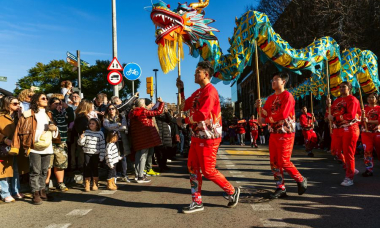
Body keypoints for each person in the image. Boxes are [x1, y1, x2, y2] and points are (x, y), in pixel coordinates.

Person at [176, 61, 240, 214]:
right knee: (192, 168)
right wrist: (181, 89)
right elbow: (185, 105)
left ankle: (232, 191)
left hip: (209, 138)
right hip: (197, 136)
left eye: (197, 71)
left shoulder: (210, 91)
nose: (194, 74)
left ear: (206, 74)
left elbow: (203, 114)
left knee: (208, 170)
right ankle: (197, 201)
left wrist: (184, 121)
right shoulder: (198, 92)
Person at [255, 72, 307, 199]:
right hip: (274, 133)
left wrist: (266, 120)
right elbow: (264, 115)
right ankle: (280, 187)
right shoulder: (270, 98)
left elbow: (283, 114)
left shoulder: (288, 96)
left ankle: (300, 179)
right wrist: (258, 108)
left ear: (283, 82)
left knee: (284, 161)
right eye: (272, 80)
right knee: (274, 162)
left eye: (275, 79)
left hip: (286, 133)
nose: (272, 82)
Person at [10, 93, 60, 205]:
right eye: (43, 98)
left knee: (44, 170)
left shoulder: (49, 114)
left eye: (46, 98)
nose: (46, 100)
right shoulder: (27, 114)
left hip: (47, 145)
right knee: (35, 171)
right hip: (33, 146)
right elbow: (19, 130)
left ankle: (43, 191)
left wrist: (54, 129)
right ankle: (35, 193)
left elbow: (55, 131)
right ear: (36, 101)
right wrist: (16, 146)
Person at [328, 81, 361, 186]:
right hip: (337, 129)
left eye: (344, 87)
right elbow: (331, 113)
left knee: (348, 153)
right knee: (335, 151)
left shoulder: (352, 100)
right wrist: (328, 106)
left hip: (350, 129)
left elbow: (351, 115)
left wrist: (335, 118)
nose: (341, 88)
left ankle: (349, 177)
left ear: (349, 88)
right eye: (340, 87)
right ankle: (350, 167)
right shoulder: (336, 100)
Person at [129, 97, 164, 183]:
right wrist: (161, 103)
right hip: (146, 137)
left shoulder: (132, 113)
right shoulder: (143, 111)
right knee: (143, 156)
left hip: (136, 137)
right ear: (142, 105)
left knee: (138, 154)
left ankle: (137, 175)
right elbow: (158, 112)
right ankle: (141, 176)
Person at [0, 96, 28, 203]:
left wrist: (21, 115)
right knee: (3, 171)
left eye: (18, 103)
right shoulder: (1, 116)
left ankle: (15, 191)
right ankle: (5, 193)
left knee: (16, 169)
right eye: (15, 104)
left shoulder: (19, 116)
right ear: (7, 104)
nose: (18, 105)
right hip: (4, 147)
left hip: (17, 147)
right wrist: (4, 139)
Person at [45, 97, 74, 192]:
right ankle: (46, 184)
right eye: (56, 103)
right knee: (48, 165)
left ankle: (60, 183)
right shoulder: (48, 113)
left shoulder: (64, 112)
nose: (58, 106)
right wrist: (57, 112)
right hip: (50, 142)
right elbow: (53, 121)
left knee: (60, 164)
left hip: (62, 142)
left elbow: (71, 118)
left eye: (59, 104)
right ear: (50, 104)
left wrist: (68, 108)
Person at [103, 104, 130, 182]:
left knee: (123, 157)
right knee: (113, 158)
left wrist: (114, 127)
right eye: (109, 109)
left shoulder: (121, 117)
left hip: (121, 140)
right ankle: (113, 176)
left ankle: (124, 175)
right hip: (112, 141)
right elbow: (107, 126)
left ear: (116, 109)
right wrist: (117, 125)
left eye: (113, 109)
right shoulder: (106, 118)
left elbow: (124, 127)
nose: (111, 110)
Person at [77, 118, 105, 192]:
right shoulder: (86, 132)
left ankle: (95, 183)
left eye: (93, 123)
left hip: (96, 153)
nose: (91, 125)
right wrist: (81, 138)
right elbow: (81, 143)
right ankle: (87, 183)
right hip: (87, 152)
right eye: (90, 123)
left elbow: (102, 145)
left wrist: (102, 155)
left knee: (95, 167)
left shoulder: (100, 133)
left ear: (97, 125)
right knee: (87, 167)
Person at [360, 93, 380, 177]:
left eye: (373, 97)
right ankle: (369, 169)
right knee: (367, 150)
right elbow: (360, 121)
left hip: (377, 133)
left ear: (377, 99)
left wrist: (368, 121)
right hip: (366, 133)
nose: (371, 99)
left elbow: (379, 121)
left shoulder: (379, 108)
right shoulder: (364, 109)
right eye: (369, 97)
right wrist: (362, 117)